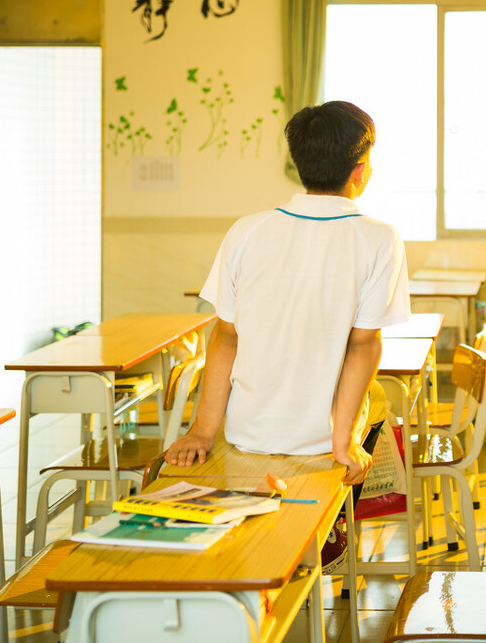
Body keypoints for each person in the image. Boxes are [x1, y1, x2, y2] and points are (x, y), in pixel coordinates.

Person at [165, 100, 410, 490]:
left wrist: (203, 431)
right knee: (381, 396)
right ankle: (351, 526)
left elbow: (226, 336)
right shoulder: (381, 238)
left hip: (247, 433)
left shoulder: (246, 231)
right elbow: (363, 346)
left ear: (300, 164)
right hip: (323, 442)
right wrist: (343, 441)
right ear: (360, 172)